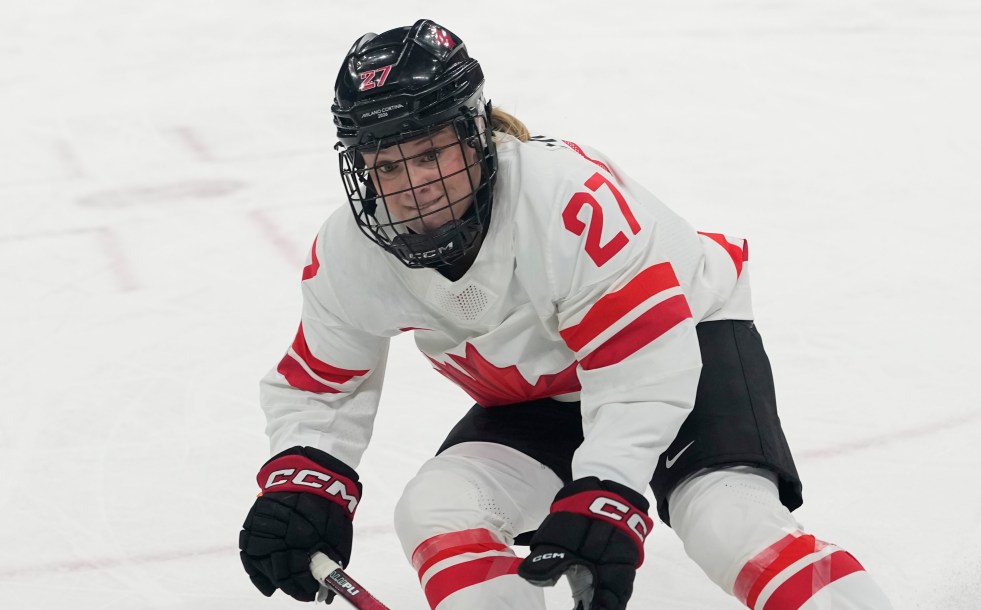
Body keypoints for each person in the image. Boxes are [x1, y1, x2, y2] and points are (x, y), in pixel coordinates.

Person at [238, 18, 893, 610]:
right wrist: (309, 472)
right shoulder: (352, 252)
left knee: (728, 524)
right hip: (545, 387)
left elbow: (642, 364)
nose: (415, 189)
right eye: (387, 166)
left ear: (474, 135)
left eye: (430, 154)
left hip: (682, 344)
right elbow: (322, 384)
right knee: (437, 508)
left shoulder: (561, 199)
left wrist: (608, 491)